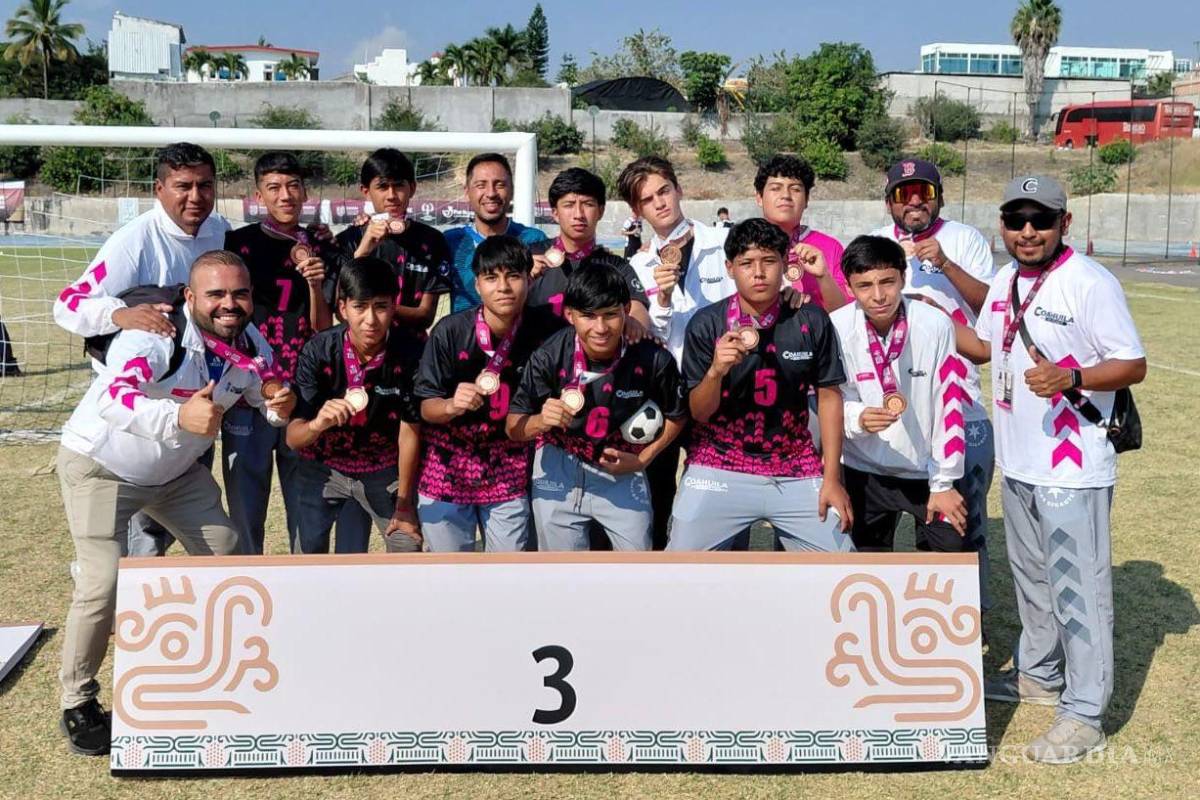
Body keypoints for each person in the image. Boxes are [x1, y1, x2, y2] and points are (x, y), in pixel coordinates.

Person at [55, 250, 295, 756]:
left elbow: (263, 393)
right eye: (215, 294)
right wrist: (175, 419)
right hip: (104, 468)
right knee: (103, 584)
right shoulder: (156, 336)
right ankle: (78, 700)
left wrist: (279, 402)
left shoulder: (251, 342)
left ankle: (230, 669)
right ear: (189, 297)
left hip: (173, 475)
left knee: (229, 557)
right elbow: (111, 397)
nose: (229, 304)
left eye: (240, 293)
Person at [954, 176, 1146, 764]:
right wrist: (921, 316)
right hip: (1019, 460)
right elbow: (984, 347)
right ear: (1004, 227)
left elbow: (1132, 364)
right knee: (1033, 581)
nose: (1028, 231)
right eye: (1017, 220)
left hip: (1071, 467)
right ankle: (1040, 675)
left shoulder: (1090, 282)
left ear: (1064, 223)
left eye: (1041, 220)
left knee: (1078, 588)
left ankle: (1085, 711)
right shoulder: (1008, 280)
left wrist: (1073, 377)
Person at [53, 142, 230, 558]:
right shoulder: (133, 241)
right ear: (158, 189)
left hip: (196, 406)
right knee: (144, 541)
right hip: (140, 416)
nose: (195, 197)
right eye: (182, 186)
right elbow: (68, 303)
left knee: (208, 537)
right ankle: (136, 617)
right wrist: (120, 314)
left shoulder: (219, 231)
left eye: (205, 186)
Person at [667, 218, 853, 552]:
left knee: (840, 564)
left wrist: (832, 478)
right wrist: (715, 372)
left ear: (784, 265)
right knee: (682, 565)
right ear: (729, 268)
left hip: (794, 462)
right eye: (746, 263)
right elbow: (699, 413)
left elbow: (829, 397)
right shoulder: (707, 324)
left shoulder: (810, 319)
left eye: (769, 261)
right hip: (719, 460)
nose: (758, 273)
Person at [871, 158, 997, 610]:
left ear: (938, 196)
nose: (915, 202)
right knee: (875, 534)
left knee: (964, 529)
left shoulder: (964, 239)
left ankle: (964, 630)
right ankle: (880, 627)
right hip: (890, 411)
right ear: (889, 201)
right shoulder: (876, 243)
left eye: (924, 191)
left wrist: (944, 266)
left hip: (958, 406)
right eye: (904, 194)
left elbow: (992, 309)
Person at [507, 262, 687, 551]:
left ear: (626, 310)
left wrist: (642, 460)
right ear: (569, 315)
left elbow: (678, 416)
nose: (600, 328)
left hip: (622, 467)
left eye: (610, 315)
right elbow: (514, 426)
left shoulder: (652, 358)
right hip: (558, 466)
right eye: (588, 317)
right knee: (562, 577)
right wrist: (541, 421)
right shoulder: (548, 355)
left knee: (636, 568)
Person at [414, 236, 565, 551]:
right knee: (450, 579)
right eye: (492, 277)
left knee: (506, 577)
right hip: (447, 466)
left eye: (513, 276)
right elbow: (425, 406)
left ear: (528, 279)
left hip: (509, 466)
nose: (504, 287)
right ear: (477, 284)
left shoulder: (548, 330)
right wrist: (451, 405)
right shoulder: (449, 331)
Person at [222, 151, 337, 554]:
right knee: (245, 500)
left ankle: (305, 585)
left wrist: (314, 283)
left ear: (305, 191)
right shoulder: (238, 243)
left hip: (304, 390)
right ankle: (247, 580)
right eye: (274, 187)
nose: (285, 195)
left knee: (305, 502)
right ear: (258, 194)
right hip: (247, 387)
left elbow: (325, 328)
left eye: (292, 186)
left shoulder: (322, 244)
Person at [830, 235, 969, 556]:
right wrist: (857, 417)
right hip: (862, 468)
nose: (878, 296)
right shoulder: (836, 327)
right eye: (864, 286)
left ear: (904, 278)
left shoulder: (934, 324)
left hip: (926, 471)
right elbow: (831, 397)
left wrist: (944, 483)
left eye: (887, 282)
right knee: (865, 564)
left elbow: (948, 401)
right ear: (849, 288)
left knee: (949, 551)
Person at [622, 156, 733, 547]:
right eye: (649, 199)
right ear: (638, 210)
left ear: (678, 188)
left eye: (664, 191)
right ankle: (658, 578)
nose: (661, 203)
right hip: (665, 391)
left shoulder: (722, 244)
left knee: (717, 494)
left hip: (721, 386)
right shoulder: (638, 264)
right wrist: (664, 298)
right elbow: (652, 333)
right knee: (658, 492)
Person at [286, 257, 425, 555]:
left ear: (394, 305)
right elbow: (293, 437)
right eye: (360, 307)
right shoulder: (319, 350)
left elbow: (409, 431)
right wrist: (317, 424)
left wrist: (404, 502)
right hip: (322, 466)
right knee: (305, 555)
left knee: (408, 547)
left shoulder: (411, 352)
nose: (371, 320)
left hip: (384, 468)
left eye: (381, 306)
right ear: (342, 308)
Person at [335, 148, 452, 331]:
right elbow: (340, 312)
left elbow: (426, 316)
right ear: (366, 191)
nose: (391, 195)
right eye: (382, 187)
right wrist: (362, 252)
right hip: (360, 351)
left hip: (411, 352)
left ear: (412, 188)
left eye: (398, 185)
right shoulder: (348, 239)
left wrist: (376, 309)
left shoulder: (432, 240)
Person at [527, 167, 650, 330]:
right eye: (569, 205)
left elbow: (637, 308)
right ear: (555, 213)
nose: (578, 214)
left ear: (600, 211)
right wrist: (523, 279)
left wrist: (635, 325)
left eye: (588, 204)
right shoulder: (528, 257)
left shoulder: (616, 266)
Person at [446, 152, 548, 312]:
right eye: (481, 185)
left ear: (512, 190)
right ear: (467, 192)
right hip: (464, 336)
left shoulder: (533, 239)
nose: (491, 193)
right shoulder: (451, 242)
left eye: (499, 184)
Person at [754, 154, 851, 312]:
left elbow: (845, 312)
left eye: (796, 189)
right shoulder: (744, 246)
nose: (785, 195)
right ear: (759, 197)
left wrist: (823, 276)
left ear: (806, 200)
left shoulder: (831, 248)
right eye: (775, 188)